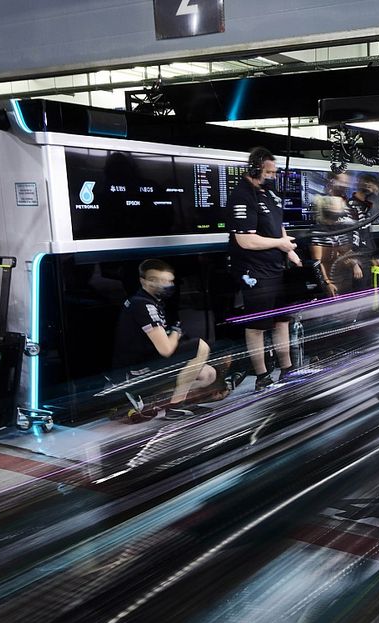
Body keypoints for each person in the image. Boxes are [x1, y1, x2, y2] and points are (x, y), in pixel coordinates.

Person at [227, 147, 301, 390]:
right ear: (254, 169)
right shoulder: (241, 194)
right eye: (268, 172)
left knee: (282, 321)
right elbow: (245, 240)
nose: (272, 175)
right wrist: (280, 244)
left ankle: (287, 369)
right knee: (257, 327)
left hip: (277, 267)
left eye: (274, 171)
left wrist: (288, 249)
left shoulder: (270, 191)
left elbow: (278, 226)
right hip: (254, 271)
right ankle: (262, 377)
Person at [112, 259, 220, 421]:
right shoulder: (143, 305)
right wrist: (176, 332)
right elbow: (166, 349)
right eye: (161, 281)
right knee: (200, 346)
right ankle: (176, 407)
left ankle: (150, 400)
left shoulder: (150, 301)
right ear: (145, 281)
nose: (167, 285)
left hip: (147, 360)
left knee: (208, 375)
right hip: (136, 371)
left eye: (169, 281)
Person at [345, 173, 379, 291]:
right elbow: (347, 238)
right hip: (358, 259)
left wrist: (375, 256)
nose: (375, 193)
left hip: (367, 256)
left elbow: (367, 234)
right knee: (359, 292)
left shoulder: (365, 207)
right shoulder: (351, 207)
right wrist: (354, 264)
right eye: (374, 189)